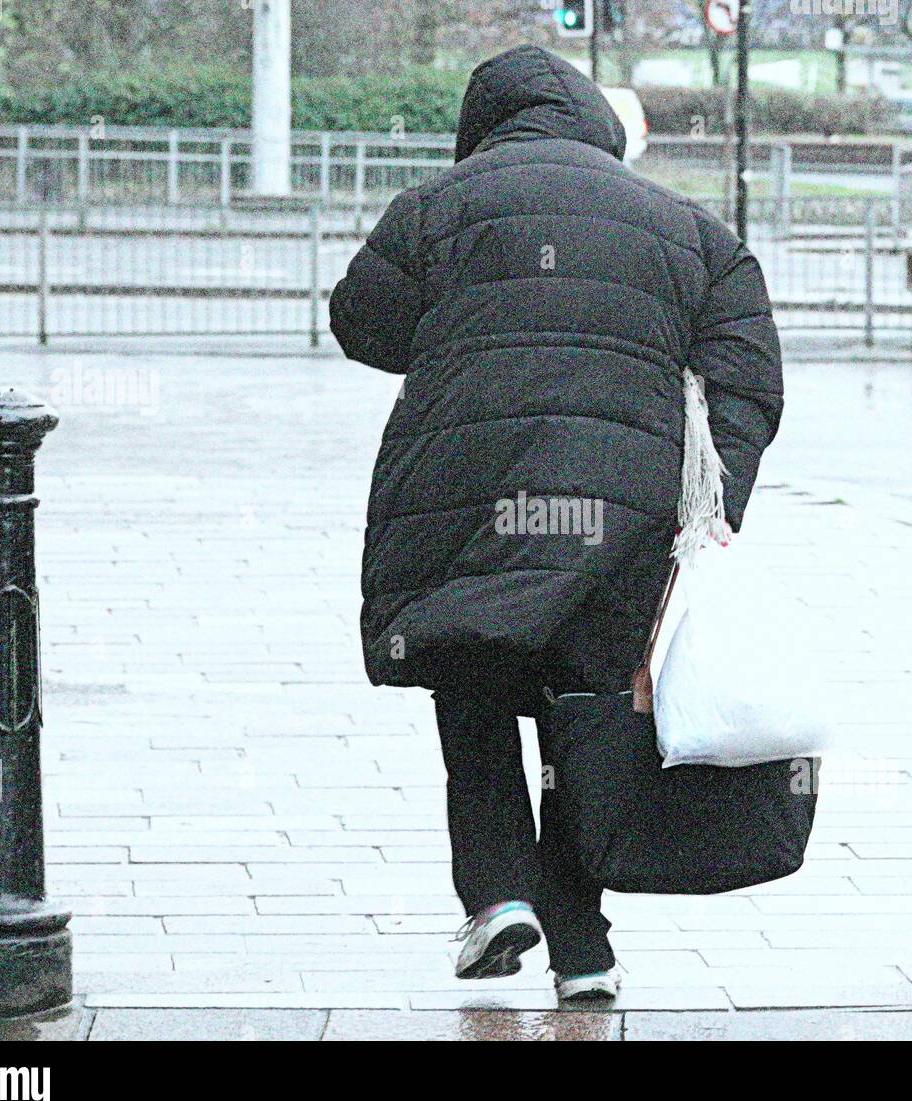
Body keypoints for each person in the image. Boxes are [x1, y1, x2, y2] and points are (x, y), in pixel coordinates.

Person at [329, 44, 782, 1004]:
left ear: (480, 127)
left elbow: (362, 323)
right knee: (587, 711)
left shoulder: (436, 208)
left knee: (474, 679)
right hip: (624, 514)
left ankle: (498, 897)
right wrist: (712, 507)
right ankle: (583, 948)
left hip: (469, 500)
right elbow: (749, 374)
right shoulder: (687, 230)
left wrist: (471, 331)